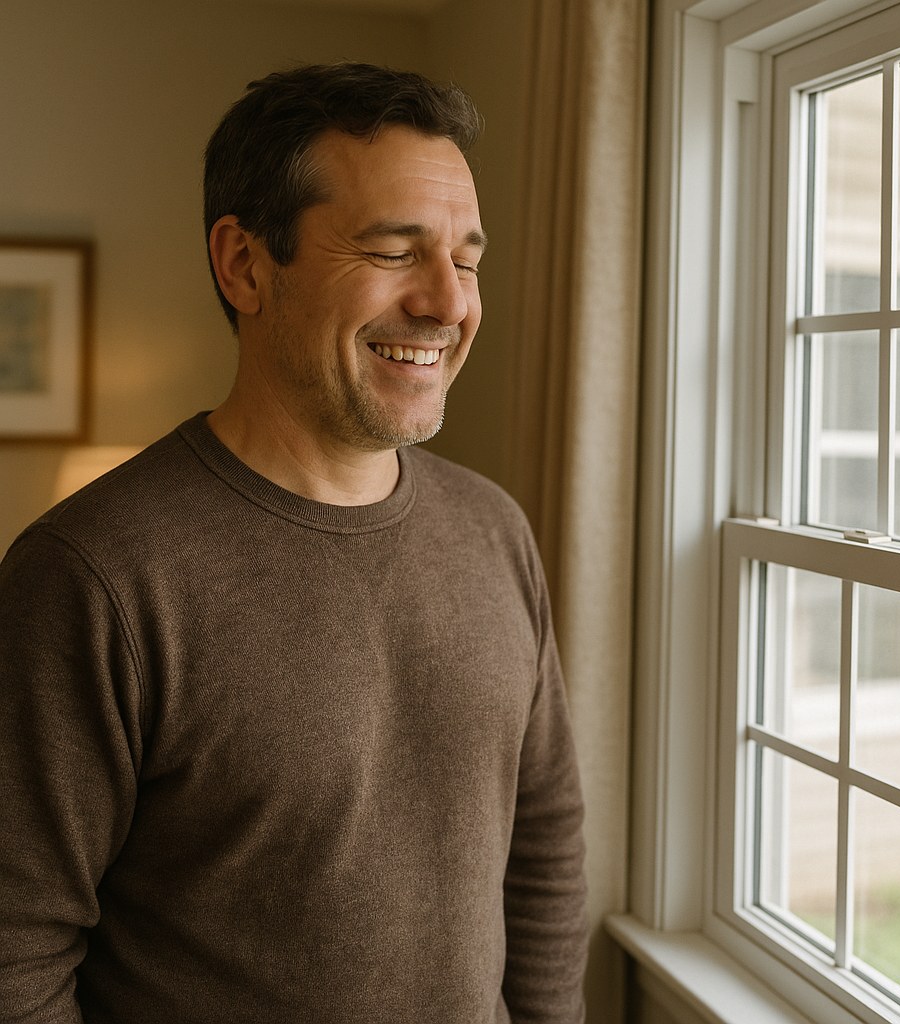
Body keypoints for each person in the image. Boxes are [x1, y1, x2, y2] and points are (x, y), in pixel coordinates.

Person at [0, 63, 587, 1023]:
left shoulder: (496, 531)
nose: (449, 303)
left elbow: (544, 843)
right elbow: (15, 950)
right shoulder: (92, 576)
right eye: (397, 250)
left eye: (467, 259)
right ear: (244, 265)